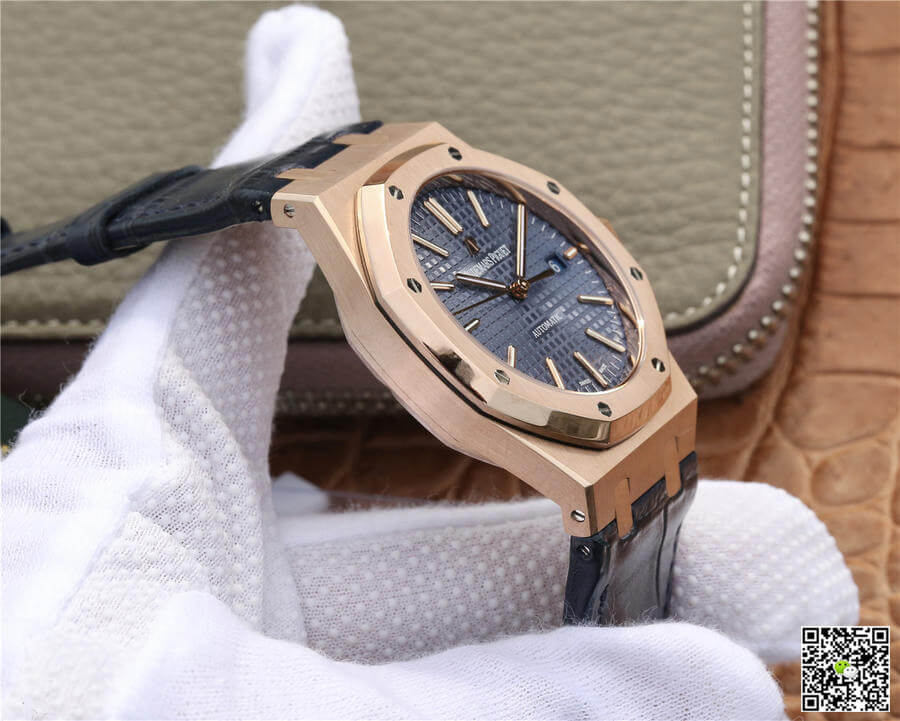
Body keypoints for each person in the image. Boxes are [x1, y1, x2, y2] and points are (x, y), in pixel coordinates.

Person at [1, 7, 857, 719]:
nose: (519, 285)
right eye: (504, 288)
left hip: (639, 400)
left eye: (522, 277)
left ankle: (861, 685)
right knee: (778, 588)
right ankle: (857, 689)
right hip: (614, 445)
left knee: (822, 604)